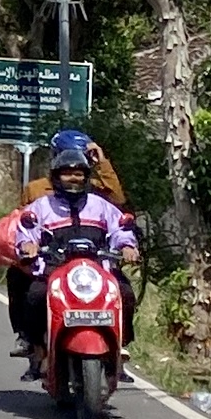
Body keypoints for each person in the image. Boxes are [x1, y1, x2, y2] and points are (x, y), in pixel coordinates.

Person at [8, 144, 139, 380]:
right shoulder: (41, 207)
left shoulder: (100, 205)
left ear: (86, 177)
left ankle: (119, 349)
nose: (73, 179)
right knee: (36, 296)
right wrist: (28, 246)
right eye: (67, 173)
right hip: (54, 270)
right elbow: (26, 232)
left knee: (125, 294)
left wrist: (127, 246)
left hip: (97, 272)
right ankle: (38, 351)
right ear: (56, 176)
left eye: (79, 174)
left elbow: (120, 228)